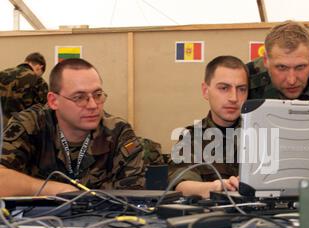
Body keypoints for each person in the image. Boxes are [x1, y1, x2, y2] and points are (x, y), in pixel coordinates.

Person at [0, 58, 148, 196]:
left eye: (97, 95)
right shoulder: (30, 125)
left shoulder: (118, 132)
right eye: (79, 97)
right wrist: (50, 189)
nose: (93, 105)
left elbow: (134, 194)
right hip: (38, 221)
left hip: (103, 221)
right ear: (53, 101)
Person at [169, 55, 248, 198]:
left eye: (241, 89)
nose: (234, 98)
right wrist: (217, 186)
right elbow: (181, 185)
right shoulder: (192, 137)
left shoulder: (262, 135)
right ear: (206, 91)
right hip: (210, 216)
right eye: (224, 88)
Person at [247, 20, 309, 102]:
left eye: (300, 67)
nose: (292, 81)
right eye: (281, 67)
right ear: (265, 60)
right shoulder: (246, 79)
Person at [0, 52, 49, 127]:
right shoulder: (38, 80)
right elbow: (44, 111)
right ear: (39, 67)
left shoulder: (2, 74)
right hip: (20, 131)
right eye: (40, 73)